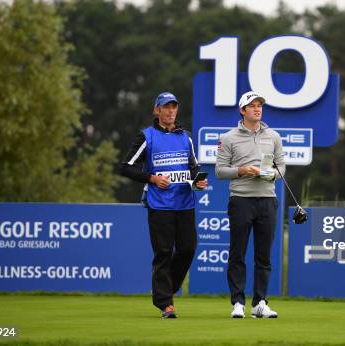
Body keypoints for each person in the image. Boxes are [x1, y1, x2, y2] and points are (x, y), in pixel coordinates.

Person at [120, 91, 207, 319]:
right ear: (156, 110)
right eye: (165, 107)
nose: (170, 111)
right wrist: (152, 178)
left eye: (173, 107)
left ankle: (164, 289)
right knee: (164, 253)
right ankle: (165, 304)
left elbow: (194, 167)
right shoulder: (146, 136)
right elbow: (127, 167)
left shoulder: (185, 136)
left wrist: (199, 181)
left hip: (185, 203)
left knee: (188, 249)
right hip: (159, 206)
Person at [215, 91, 285, 318]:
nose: (257, 109)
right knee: (238, 253)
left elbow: (281, 169)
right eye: (252, 106)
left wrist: (267, 174)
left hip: (267, 199)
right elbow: (219, 170)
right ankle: (238, 303)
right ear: (242, 110)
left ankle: (259, 303)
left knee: (263, 255)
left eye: (259, 105)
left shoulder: (273, 136)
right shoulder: (228, 138)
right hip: (240, 200)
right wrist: (241, 170)